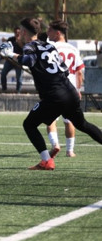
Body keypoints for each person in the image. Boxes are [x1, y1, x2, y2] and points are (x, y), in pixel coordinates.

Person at [0, 18, 102, 170]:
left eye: (20, 31)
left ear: (24, 32)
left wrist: (10, 54)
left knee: (29, 125)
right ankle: (49, 158)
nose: (18, 34)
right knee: (83, 125)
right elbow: (65, 69)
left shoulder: (30, 46)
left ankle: (46, 161)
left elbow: (29, 60)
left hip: (55, 96)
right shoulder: (49, 45)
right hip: (70, 91)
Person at [44, 20, 85, 158]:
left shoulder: (50, 47)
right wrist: (78, 90)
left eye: (49, 30)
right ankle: (70, 151)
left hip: (55, 89)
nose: (47, 33)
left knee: (50, 119)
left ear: (57, 33)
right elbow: (79, 72)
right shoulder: (73, 49)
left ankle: (55, 144)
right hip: (71, 90)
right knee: (69, 120)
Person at [0, 26, 24, 93]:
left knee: (19, 78)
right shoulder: (11, 39)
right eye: (16, 32)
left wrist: (19, 42)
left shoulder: (23, 40)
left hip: (18, 61)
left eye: (18, 32)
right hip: (10, 60)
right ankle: (4, 89)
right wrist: (4, 42)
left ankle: (18, 91)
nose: (17, 34)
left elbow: (24, 50)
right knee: (3, 74)